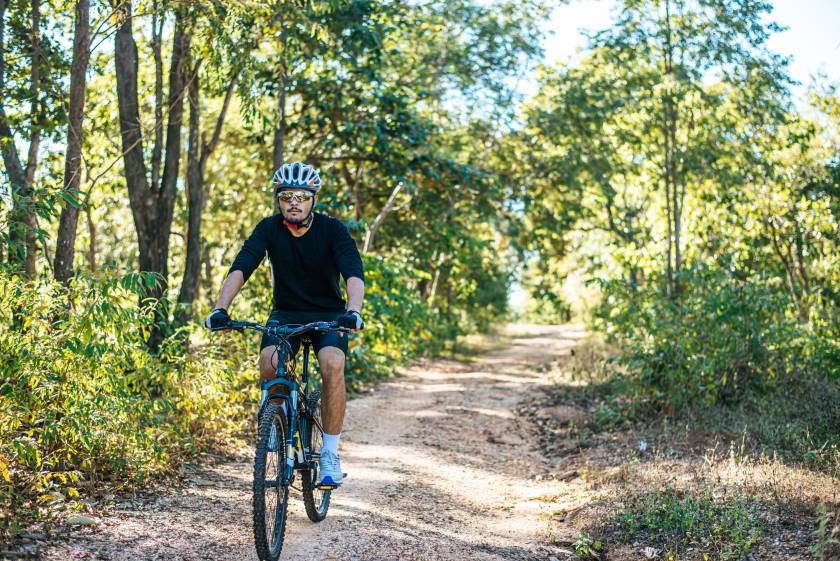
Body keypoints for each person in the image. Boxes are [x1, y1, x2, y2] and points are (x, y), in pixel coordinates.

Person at [204, 161, 365, 488]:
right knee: (269, 362)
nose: (294, 202)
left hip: (329, 314)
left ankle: (331, 454)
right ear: (279, 200)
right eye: (287, 196)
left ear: (312, 200)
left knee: (332, 362)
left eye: (302, 196)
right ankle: (278, 421)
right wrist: (221, 307)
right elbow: (242, 267)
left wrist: (354, 310)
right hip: (286, 314)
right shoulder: (268, 229)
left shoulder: (332, 230)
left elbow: (353, 273)